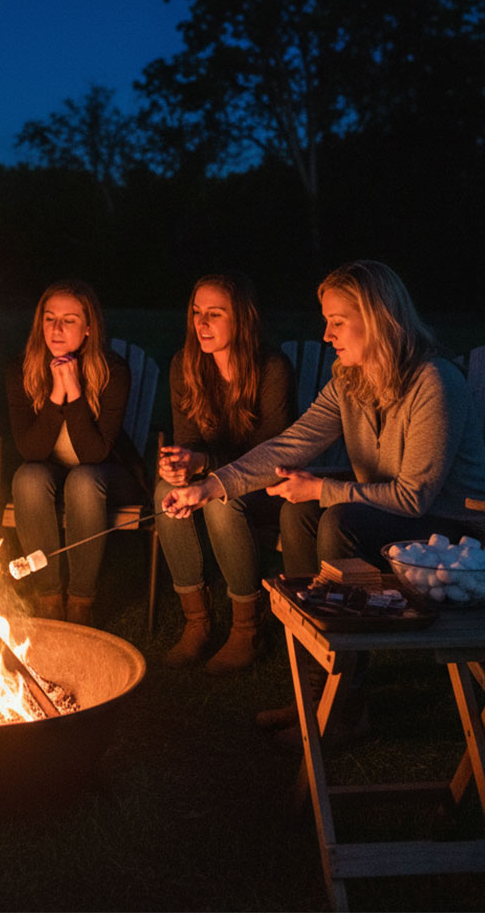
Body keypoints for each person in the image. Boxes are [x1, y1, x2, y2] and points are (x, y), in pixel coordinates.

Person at [162, 260, 485, 739]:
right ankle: (316, 691)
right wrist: (211, 485)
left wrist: (323, 487)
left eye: (337, 322)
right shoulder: (350, 380)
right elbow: (289, 444)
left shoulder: (434, 382)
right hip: (400, 522)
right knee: (299, 512)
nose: (326, 335)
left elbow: (415, 495)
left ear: (378, 319)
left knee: (335, 520)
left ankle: (347, 702)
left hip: (461, 539)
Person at [156, 273, 297, 671]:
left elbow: (274, 451)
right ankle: (197, 623)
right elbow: (189, 440)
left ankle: (247, 629)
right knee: (163, 492)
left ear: (242, 320)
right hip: (215, 475)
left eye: (214, 314)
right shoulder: (186, 365)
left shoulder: (271, 368)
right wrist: (182, 463)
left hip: (271, 485)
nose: (201, 324)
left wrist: (203, 465)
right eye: (197, 313)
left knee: (221, 502)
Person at [5, 279, 147, 626]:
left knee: (83, 480)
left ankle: (81, 602)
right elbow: (31, 450)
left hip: (107, 474)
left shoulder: (112, 371)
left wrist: (75, 393)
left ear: (88, 328)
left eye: (68, 320)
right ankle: (49, 598)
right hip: (51, 469)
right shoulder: (21, 371)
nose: (56, 329)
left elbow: (94, 453)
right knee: (27, 478)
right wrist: (56, 396)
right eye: (50, 318)